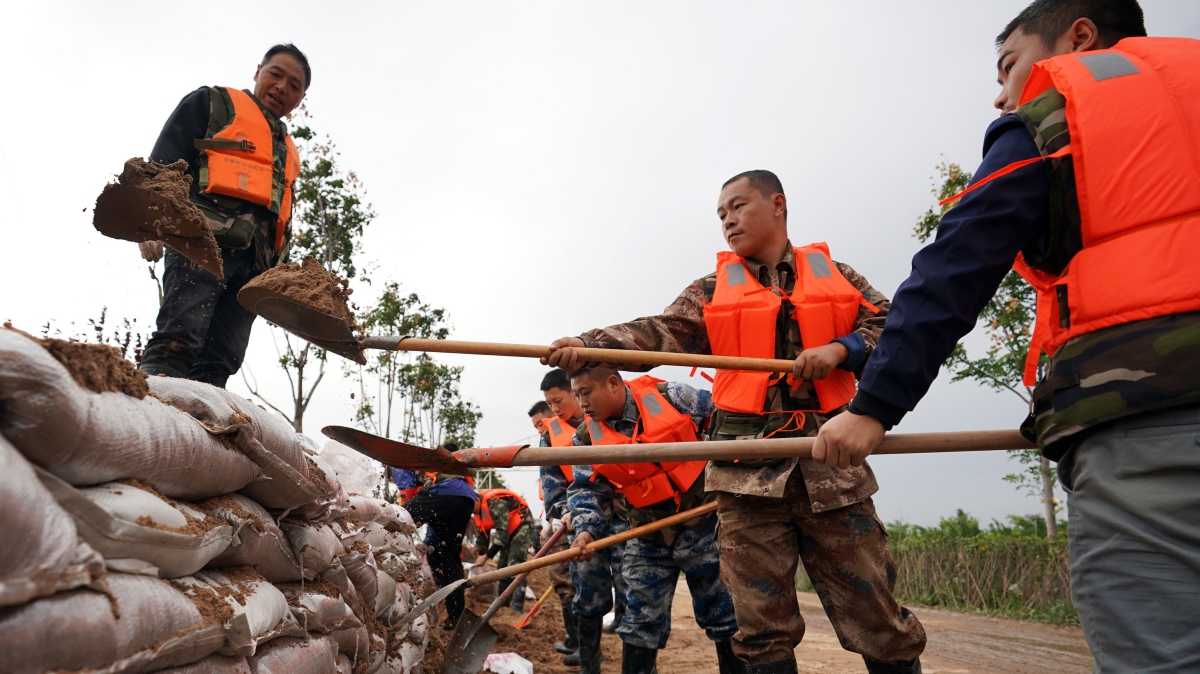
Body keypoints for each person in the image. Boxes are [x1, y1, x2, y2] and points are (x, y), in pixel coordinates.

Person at [815, 1, 1200, 670]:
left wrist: (873, 405)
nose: (1001, 93)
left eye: (1009, 65)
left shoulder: (1064, 109)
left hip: (1149, 414)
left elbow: (954, 269)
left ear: (1078, 36)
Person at [546, 171, 925, 674]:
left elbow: (892, 327)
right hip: (746, 480)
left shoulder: (838, 275)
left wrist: (842, 348)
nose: (727, 220)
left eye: (737, 206)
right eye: (720, 214)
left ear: (778, 204)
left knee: (878, 622)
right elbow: (659, 333)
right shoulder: (712, 289)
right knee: (761, 632)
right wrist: (590, 344)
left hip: (832, 470)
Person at [138, 44, 310, 387]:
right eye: (276, 74)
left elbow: (280, 219)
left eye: (294, 85)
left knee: (222, 360)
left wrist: (280, 281)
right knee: (179, 337)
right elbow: (167, 157)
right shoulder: (214, 103)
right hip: (201, 243)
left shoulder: (289, 152)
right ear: (257, 71)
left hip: (254, 270)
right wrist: (150, 220)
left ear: (300, 98)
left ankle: (198, 431)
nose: (281, 88)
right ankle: (150, 413)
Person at [566, 367, 739, 674]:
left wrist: (729, 479)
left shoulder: (673, 396)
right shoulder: (585, 438)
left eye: (586, 392)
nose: (582, 403)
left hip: (704, 524)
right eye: (577, 394)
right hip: (647, 534)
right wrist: (585, 530)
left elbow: (726, 420)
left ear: (613, 383)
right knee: (639, 621)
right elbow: (586, 488)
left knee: (726, 615)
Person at [530, 372, 586, 665]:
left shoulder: (601, 419)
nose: (553, 409)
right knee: (576, 582)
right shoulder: (549, 436)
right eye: (549, 403)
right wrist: (563, 511)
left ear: (575, 392)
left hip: (615, 513)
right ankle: (582, 647)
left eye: (557, 401)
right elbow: (552, 483)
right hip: (570, 518)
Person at [391, 465, 477, 629]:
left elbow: (407, 497)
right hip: (465, 499)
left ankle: (436, 596)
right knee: (447, 557)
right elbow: (435, 521)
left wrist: (404, 519)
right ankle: (455, 617)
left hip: (446, 493)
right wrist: (427, 543)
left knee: (394, 520)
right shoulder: (440, 472)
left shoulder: (399, 465)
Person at [472, 487, 535, 613]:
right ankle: (502, 608)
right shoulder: (479, 513)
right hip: (509, 531)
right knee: (502, 568)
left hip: (522, 525)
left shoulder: (495, 503)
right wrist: (479, 552)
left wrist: (486, 557)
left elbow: (502, 535)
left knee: (515, 564)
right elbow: (483, 535)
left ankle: (517, 609)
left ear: (476, 500)